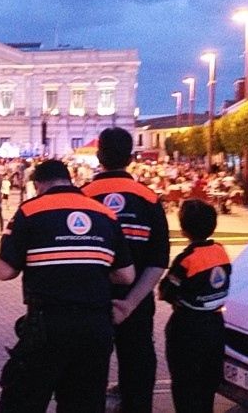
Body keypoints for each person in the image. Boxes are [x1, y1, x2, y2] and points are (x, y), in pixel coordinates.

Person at [0, 159, 135, 413]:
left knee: (23, 401)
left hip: (47, 326)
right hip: (95, 326)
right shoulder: (105, 213)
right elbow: (126, 275)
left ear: (38, 184)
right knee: (83, 405)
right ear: (69, 180)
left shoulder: (30, 211)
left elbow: (4, 272)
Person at [80, 127, 170, 413]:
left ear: (99, 157)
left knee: (88, 375)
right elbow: (159, 260)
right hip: (136, 304)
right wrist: (130, 303)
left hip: (91, 304)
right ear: (131, 158)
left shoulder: (82, 198)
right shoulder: (149, 199)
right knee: (138, 371)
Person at [158, 199, 231, 413]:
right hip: (215, 324)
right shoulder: (221, 251)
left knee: (184, 384)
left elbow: (165, 291)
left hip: (187, 327)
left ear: (183, 229)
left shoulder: (186, 259)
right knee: (207, 384)